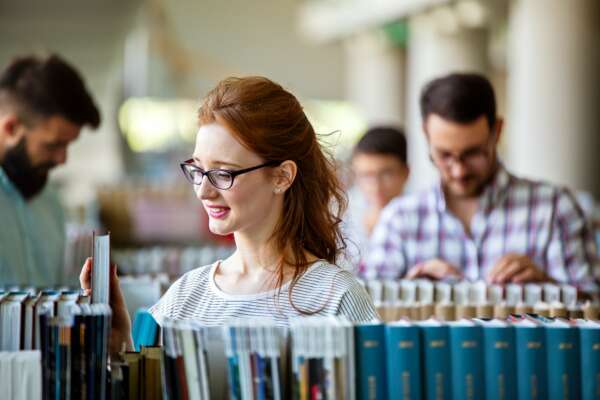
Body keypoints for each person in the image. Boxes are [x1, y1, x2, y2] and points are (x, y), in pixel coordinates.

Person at [81, 76, 378, 353]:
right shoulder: (185, 297)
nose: (203, 191)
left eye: (223, 173)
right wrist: (121, 349)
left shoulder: (337, 298)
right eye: (198, 170)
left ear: (282, 176)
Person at [364, 73, 599, 295]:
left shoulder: (555, 209)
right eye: (445, 155)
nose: (459, 170)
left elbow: (593, 306)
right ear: (426, 135)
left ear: (497, 131)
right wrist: (409, 293)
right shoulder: (399, 219)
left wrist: (545, 286)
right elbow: (367, 310)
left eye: (473, 153)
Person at [0, 54, 100, 287]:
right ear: (12, 128)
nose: (62, 159)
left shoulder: (50, 201)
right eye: (53, 144)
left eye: (68, 145)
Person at [344, 127, 409, 271]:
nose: (376, 185)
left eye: (386, 174)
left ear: (405, 172)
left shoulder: (422, 219)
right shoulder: (342, 217)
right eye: (366, 175)